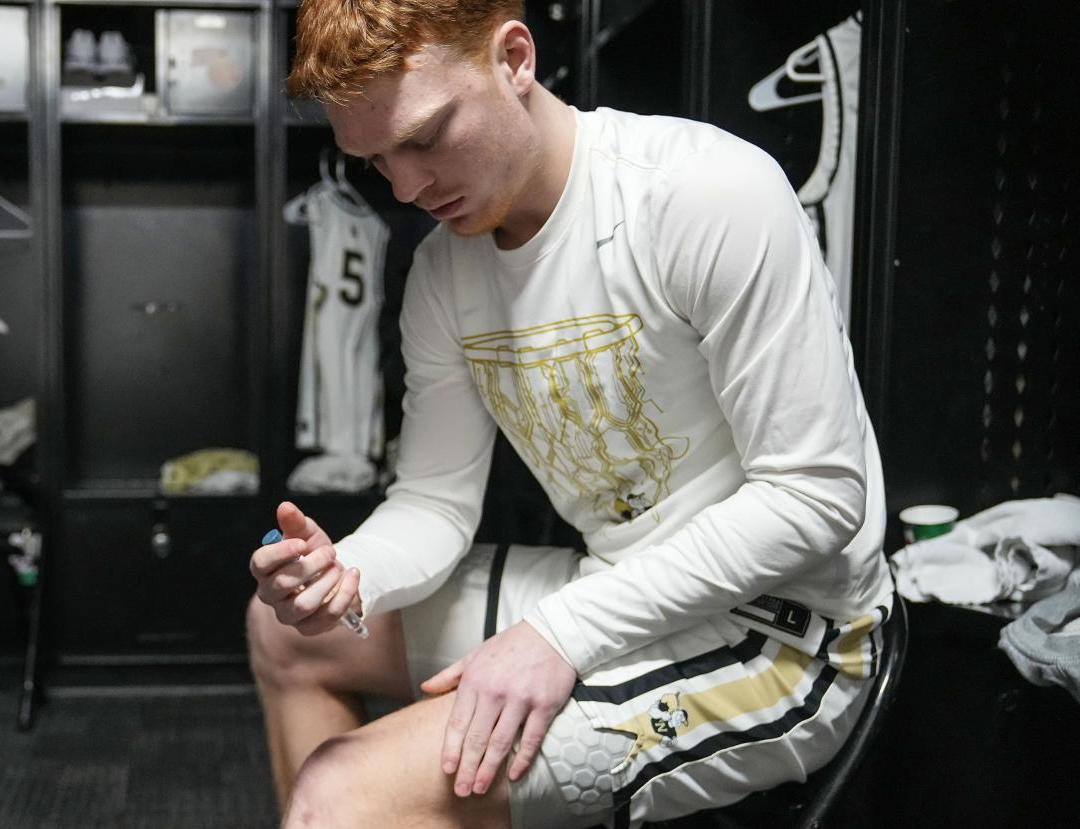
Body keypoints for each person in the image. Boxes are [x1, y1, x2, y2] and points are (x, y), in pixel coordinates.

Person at [247, 2, 895, 827]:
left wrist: (559, 633)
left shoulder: (701, 193)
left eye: (425, 137)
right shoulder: (444, 275)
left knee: (344, 793)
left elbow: (816, 496)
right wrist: (350, 572)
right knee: (289, 636)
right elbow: (434, 501)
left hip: (787, 636)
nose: (407, 188)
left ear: (514, 58)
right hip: (619, 589)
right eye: (375, 162)